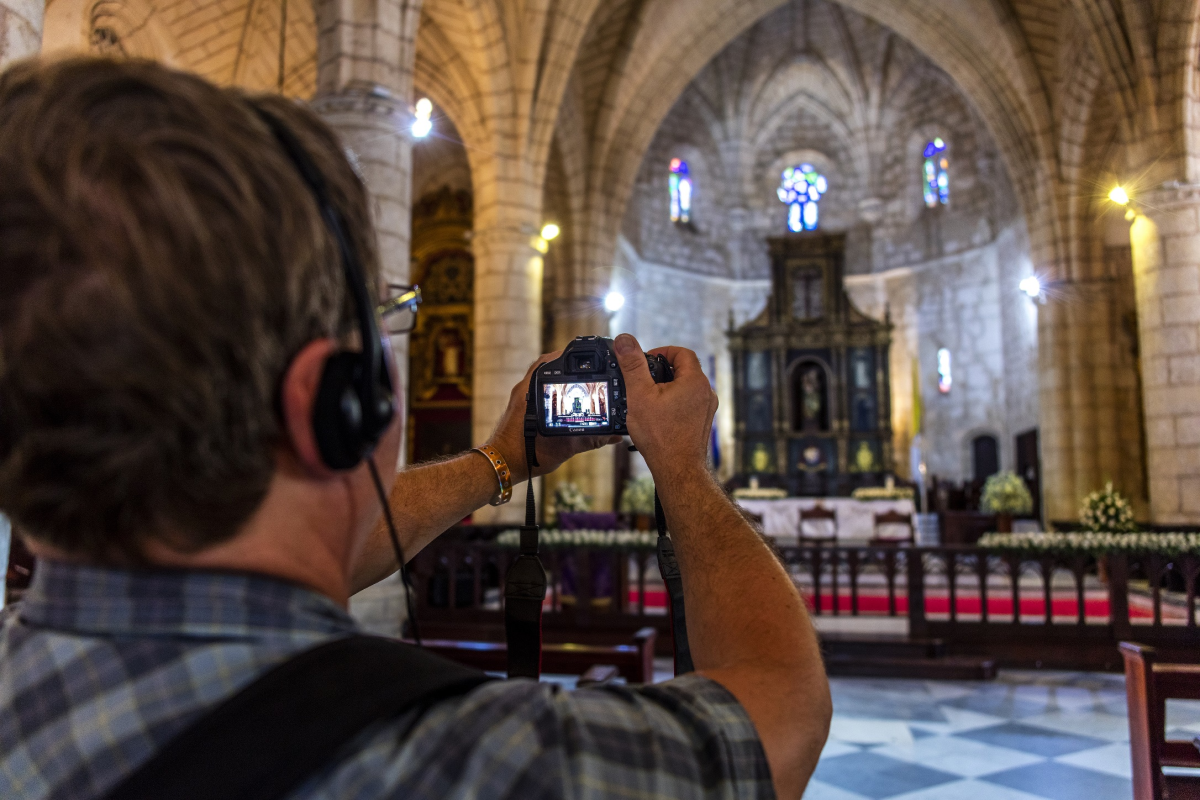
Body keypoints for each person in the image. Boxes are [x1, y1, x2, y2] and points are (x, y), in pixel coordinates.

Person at [0, 57, 830, 799]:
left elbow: (288, 557)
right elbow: (780, 719)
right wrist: (683, 466)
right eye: (389, 325)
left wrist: (502, 462)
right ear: (339, 399)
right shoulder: (464, 762)